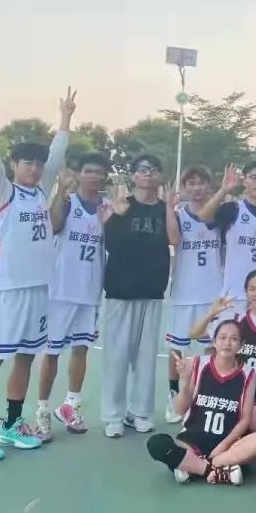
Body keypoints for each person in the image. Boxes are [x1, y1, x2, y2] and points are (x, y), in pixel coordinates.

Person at [0, 79, 73, 462]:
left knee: (26, 357)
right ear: (14, 165)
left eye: (38, 164)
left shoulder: (41, 191)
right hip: (9, 292)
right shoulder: (2, 192)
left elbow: (57, 155)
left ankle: (11, 424)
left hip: (39, 290)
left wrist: (65, 119)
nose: (35, 168)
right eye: (27, 162)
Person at [36, 154, 110, 439]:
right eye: (88, 171)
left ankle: (71, 404)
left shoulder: (107, 207)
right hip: (61, 291)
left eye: (99, 172)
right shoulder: (68, 202)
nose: (93, 176)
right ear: (79, 174)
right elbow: (53, 226)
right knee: (52, 352)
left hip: (90, 292)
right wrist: (60, 190)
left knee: (81, 349)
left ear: (104, 176)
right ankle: (42, 410)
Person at [145, 319, 256, 485]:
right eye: (222, 337)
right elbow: (180, 409)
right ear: (214, 342)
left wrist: (221, 447)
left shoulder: (247, 374)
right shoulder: (199, 364)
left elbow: (245, 419)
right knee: (157, 444)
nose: (227, 343)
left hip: (226, 444)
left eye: (233, 339)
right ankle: (214, 471)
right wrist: (185, 381)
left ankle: (191, 467)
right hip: (192, 440)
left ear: (241, 345)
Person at [101, 154, 172, 439]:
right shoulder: (122, 206)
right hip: (120, 291)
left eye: (153, 169)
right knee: (116, 358)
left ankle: (140, 412)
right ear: (134, 176)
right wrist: (115, 216)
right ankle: (113, 416)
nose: (148, 174)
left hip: (152, 292)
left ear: (160, 176)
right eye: (142, 169)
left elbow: (173, 239)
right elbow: (110, 243)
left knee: (146, 359)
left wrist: (172, 209)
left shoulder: (165, 209)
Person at [190, 269, 256, 432]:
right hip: (231, 392)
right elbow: (194, 333)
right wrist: (211, 312)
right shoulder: (236, 318)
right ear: (246, 292)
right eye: (252, 289)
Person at [164, 166, 225, 424]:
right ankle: (174, 394)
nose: (197, 188)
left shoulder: (218, 215)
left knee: (212, 347)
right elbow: (174, 240)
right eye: (191, 183)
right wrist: (169, 207)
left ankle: (205, 394)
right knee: (177, 347)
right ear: (184, 188)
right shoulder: (179, 215)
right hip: (184, 291)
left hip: (212, 292)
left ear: (210, 186)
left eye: (201, 183)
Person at [201, 162, 256, 315]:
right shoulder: (233, 209)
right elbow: (204, 216)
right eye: (253, 178)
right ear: (244, 182)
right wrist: (223, 190)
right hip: (236, 292)